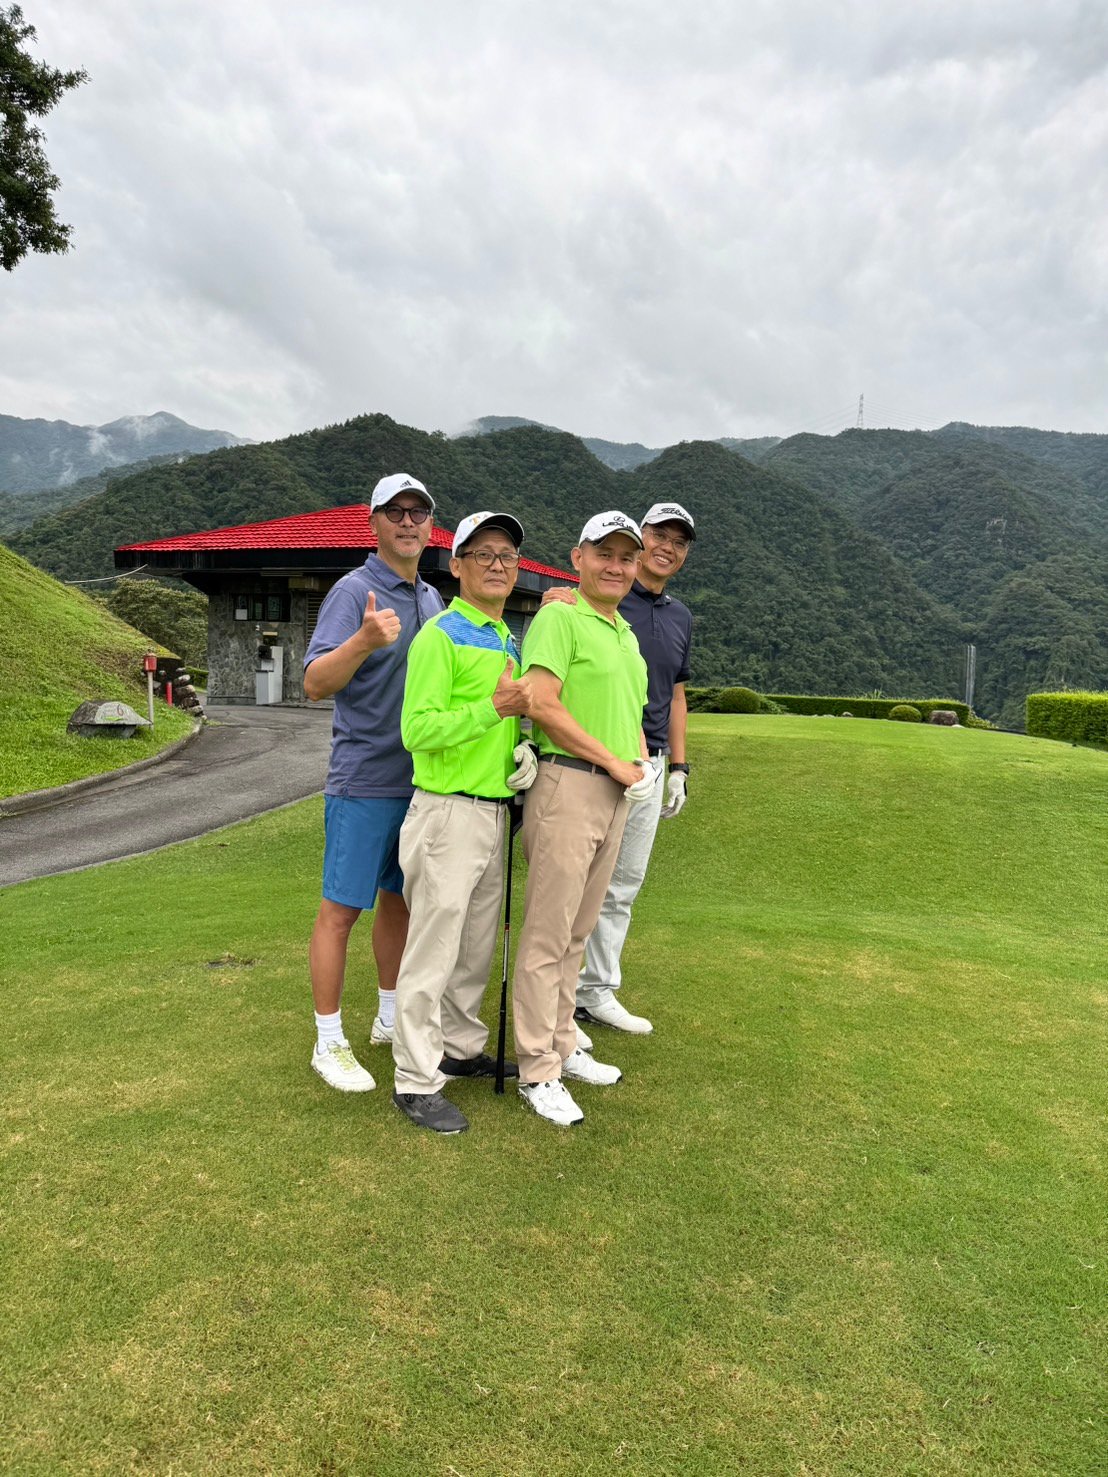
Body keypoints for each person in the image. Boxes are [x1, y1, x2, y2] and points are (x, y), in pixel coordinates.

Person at [391, 511, 536, 1134]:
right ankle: (414, 1078)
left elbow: (502, 721)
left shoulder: (506, 638)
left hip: (492, 812)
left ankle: (459, 1048)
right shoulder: (439, 636)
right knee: (433, 951)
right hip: (446, 812)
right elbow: (416, 730)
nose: (498, 565)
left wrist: (520, 746)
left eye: (507, 555)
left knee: (475, 948)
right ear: (456, 566)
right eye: (483, 554)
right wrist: (493, 709)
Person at [512, 512, 655, 1127]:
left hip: (617, 793)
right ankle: (536, 1068)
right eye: (604, 554)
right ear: (578, 558)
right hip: (568, 784)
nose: (616, 566)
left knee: (578, 931)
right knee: (548, 935)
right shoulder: (559, 617)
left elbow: (629, 714)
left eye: (627, 557)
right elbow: (542, 704)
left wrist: (639, 762)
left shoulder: (625, 633)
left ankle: (563, 1043)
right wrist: (614, 762)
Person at [303, 473, 443, 1092]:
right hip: (363, 779)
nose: (408, 521)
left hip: (423, 782)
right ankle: (328, 1041)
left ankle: (389, 1017)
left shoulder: (432, 599)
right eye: (395, 511)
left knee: (399, 901)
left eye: (418, 512)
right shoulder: (353, 590)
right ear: (375, 522)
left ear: (430, 525)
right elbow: (314, 683)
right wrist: (362, 640)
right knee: (341, 910)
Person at [573, 500, 695, 1039]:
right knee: (578, 884)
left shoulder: (680, 616)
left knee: (623, 884)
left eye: (679, 541)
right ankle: (559, 996)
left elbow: (676, 695)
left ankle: (596, 991)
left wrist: (679, 767)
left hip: (650, 765)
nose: (668, 547)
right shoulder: (604, 596)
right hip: (594, 760)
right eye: (659, 536)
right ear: (641, 540)